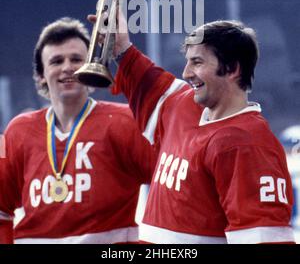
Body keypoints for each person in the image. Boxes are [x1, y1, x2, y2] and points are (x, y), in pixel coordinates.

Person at [112, 17, 295, 244]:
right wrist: (121, 48)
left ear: (232, 69)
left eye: (197, 62)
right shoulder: (183, 104)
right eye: (188, 61)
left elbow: (264, 239)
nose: (186, 72)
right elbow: (148, 82)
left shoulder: (247, 144)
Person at [0, 17, 155, 244]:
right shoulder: (16, 130)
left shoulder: (125, 122)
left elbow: (169, 185)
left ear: (92, 67)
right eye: (56, 61)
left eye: (76, 59)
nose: (67, 67)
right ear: (42, 75)